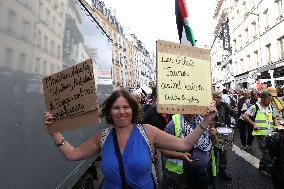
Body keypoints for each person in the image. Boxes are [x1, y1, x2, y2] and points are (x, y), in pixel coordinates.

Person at [44, 89, 217, 189]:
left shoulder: (148, 132)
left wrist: (206, 121)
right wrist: (54, 132)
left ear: (133, 110)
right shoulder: (103, 137)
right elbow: (72, 154)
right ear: (110, 112)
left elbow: (184, 144)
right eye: (116, 107)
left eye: (126, 107)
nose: (121, 111)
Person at [160, 114, 217, 189]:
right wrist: (180, 156)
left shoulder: (203, 120)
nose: (190, 112)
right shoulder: (174, 123)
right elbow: (162, 149)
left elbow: (213, 144)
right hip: (183, 172)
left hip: (202, 169)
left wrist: (213, 135)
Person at [243, 91, 280, 177]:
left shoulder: (270, 106)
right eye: (268, 100)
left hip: (270, 133)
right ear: (262, 99)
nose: (270, 102)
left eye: (271, 100)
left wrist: (277, 125)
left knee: (270, 151)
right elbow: (245, 116)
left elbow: (274, 117)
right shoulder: (255, 106)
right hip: (261, 134)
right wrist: (254, 124)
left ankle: (264, 165)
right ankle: (264, 169)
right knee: (266, 151)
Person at [212, 92, 235, 181]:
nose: (218, 99)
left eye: (219, 97)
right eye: (216, 97)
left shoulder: (224, 105)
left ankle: (222, 172)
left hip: (223, 134)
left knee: (223, 154)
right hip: (212, 134)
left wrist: (230, 127)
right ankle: (211, 174)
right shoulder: (208, 106)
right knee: (213, 155)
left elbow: (231, 115)